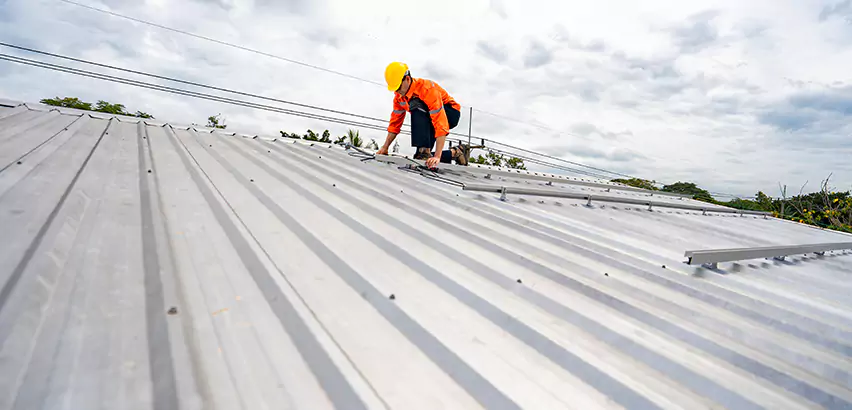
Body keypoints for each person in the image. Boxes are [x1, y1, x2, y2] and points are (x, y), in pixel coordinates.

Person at [376, 62, 467, 168]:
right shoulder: (399, 97)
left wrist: (437, 156)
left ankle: (424, 152)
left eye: (399, 87)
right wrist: (385, 147)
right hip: (428, 118)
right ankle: (455, 153)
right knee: (422, 159)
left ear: (407, 79)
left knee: (416, 103)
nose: (397, 92)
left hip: (450, 113)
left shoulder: (427, 89)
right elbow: (395, 124)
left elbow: (440, 123)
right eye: (395, 89)